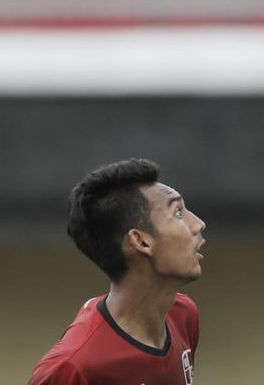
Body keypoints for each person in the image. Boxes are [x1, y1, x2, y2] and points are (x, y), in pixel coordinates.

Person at [30, 158, 206, 385]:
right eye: (178, 213)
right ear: (141, 241)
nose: (199, 224)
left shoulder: (184, 315)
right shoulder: (71, 368)